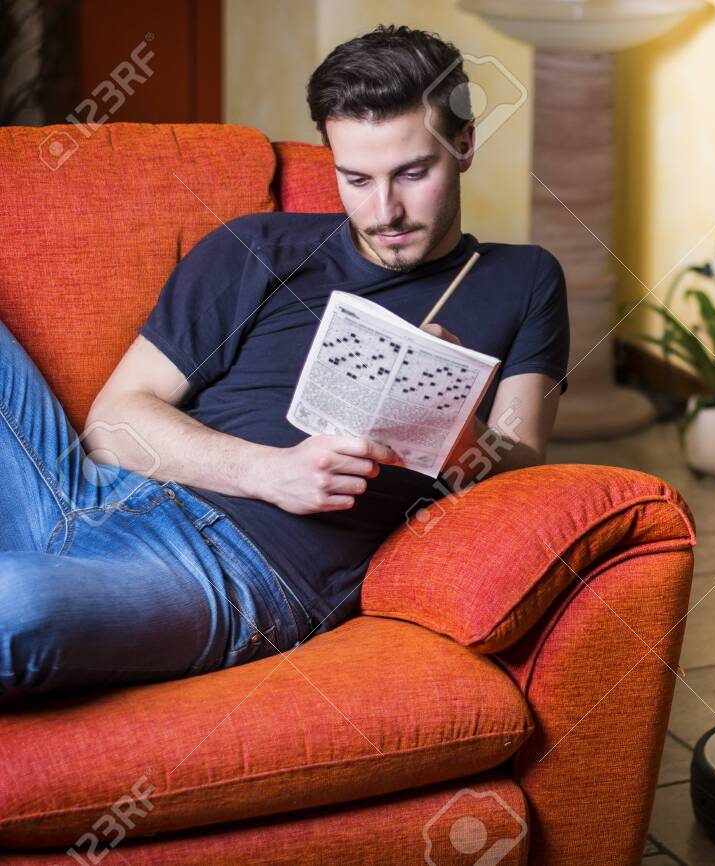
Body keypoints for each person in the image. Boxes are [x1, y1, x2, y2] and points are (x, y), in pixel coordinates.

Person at [0, 25, 568, 698]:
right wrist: (270, 471)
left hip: (246, 569)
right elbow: (111, 424)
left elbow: (529, 465)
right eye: (356, 178)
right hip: (89, 492)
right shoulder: (255, 244)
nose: (384, 210)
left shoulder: (523, 279)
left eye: (413, 174)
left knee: (13, 605)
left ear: (465, 145)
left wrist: (452, 424)